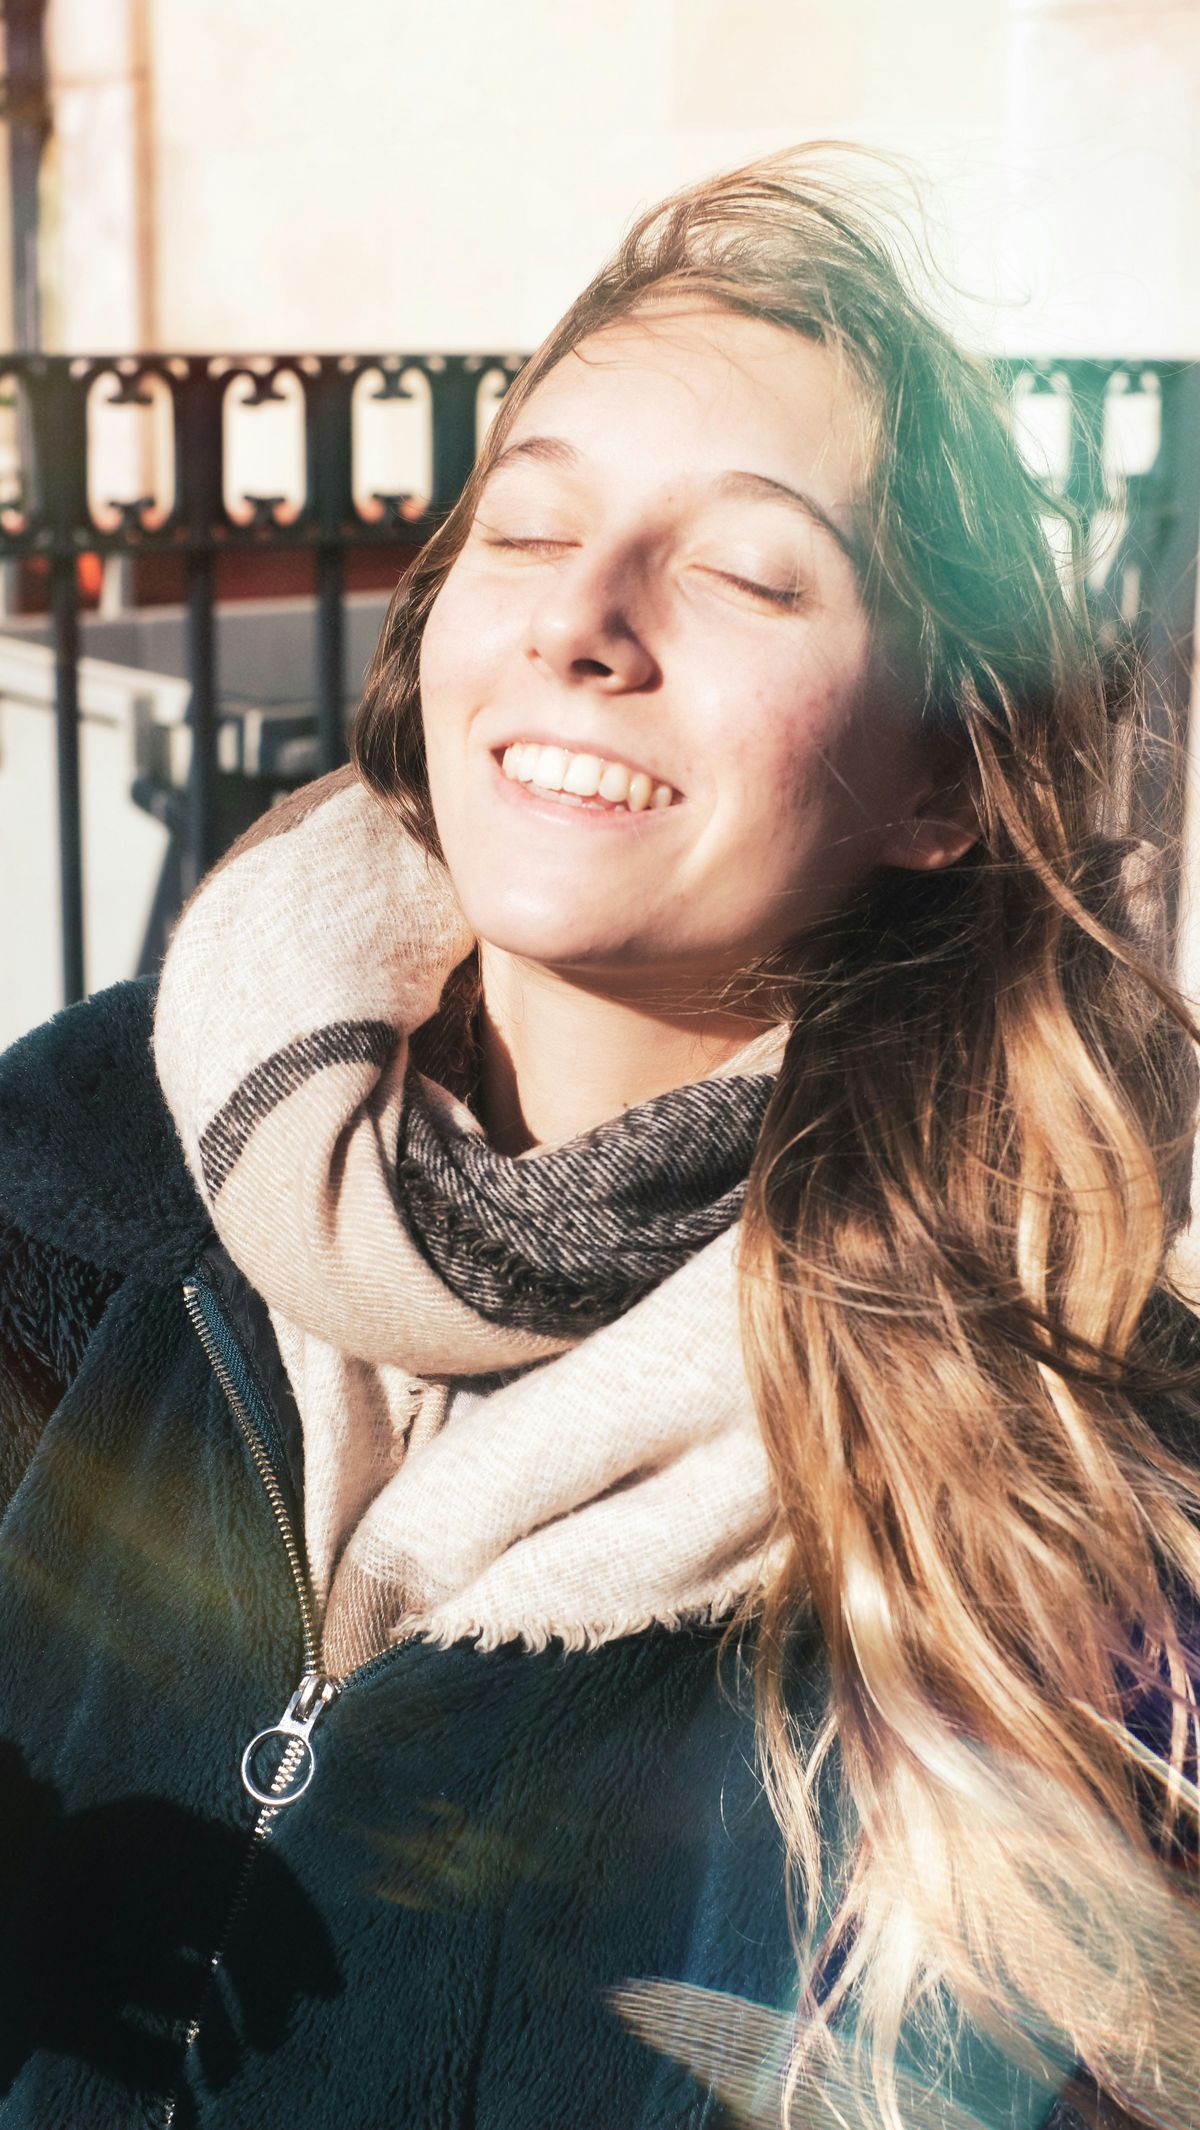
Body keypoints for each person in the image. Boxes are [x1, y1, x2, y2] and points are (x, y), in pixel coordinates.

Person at [1, 147, 1198, 2130]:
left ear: (938, 779)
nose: (584, 617)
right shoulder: (76, 1181)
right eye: (530, 526)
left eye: (747, 572)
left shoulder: (1063, 1467)